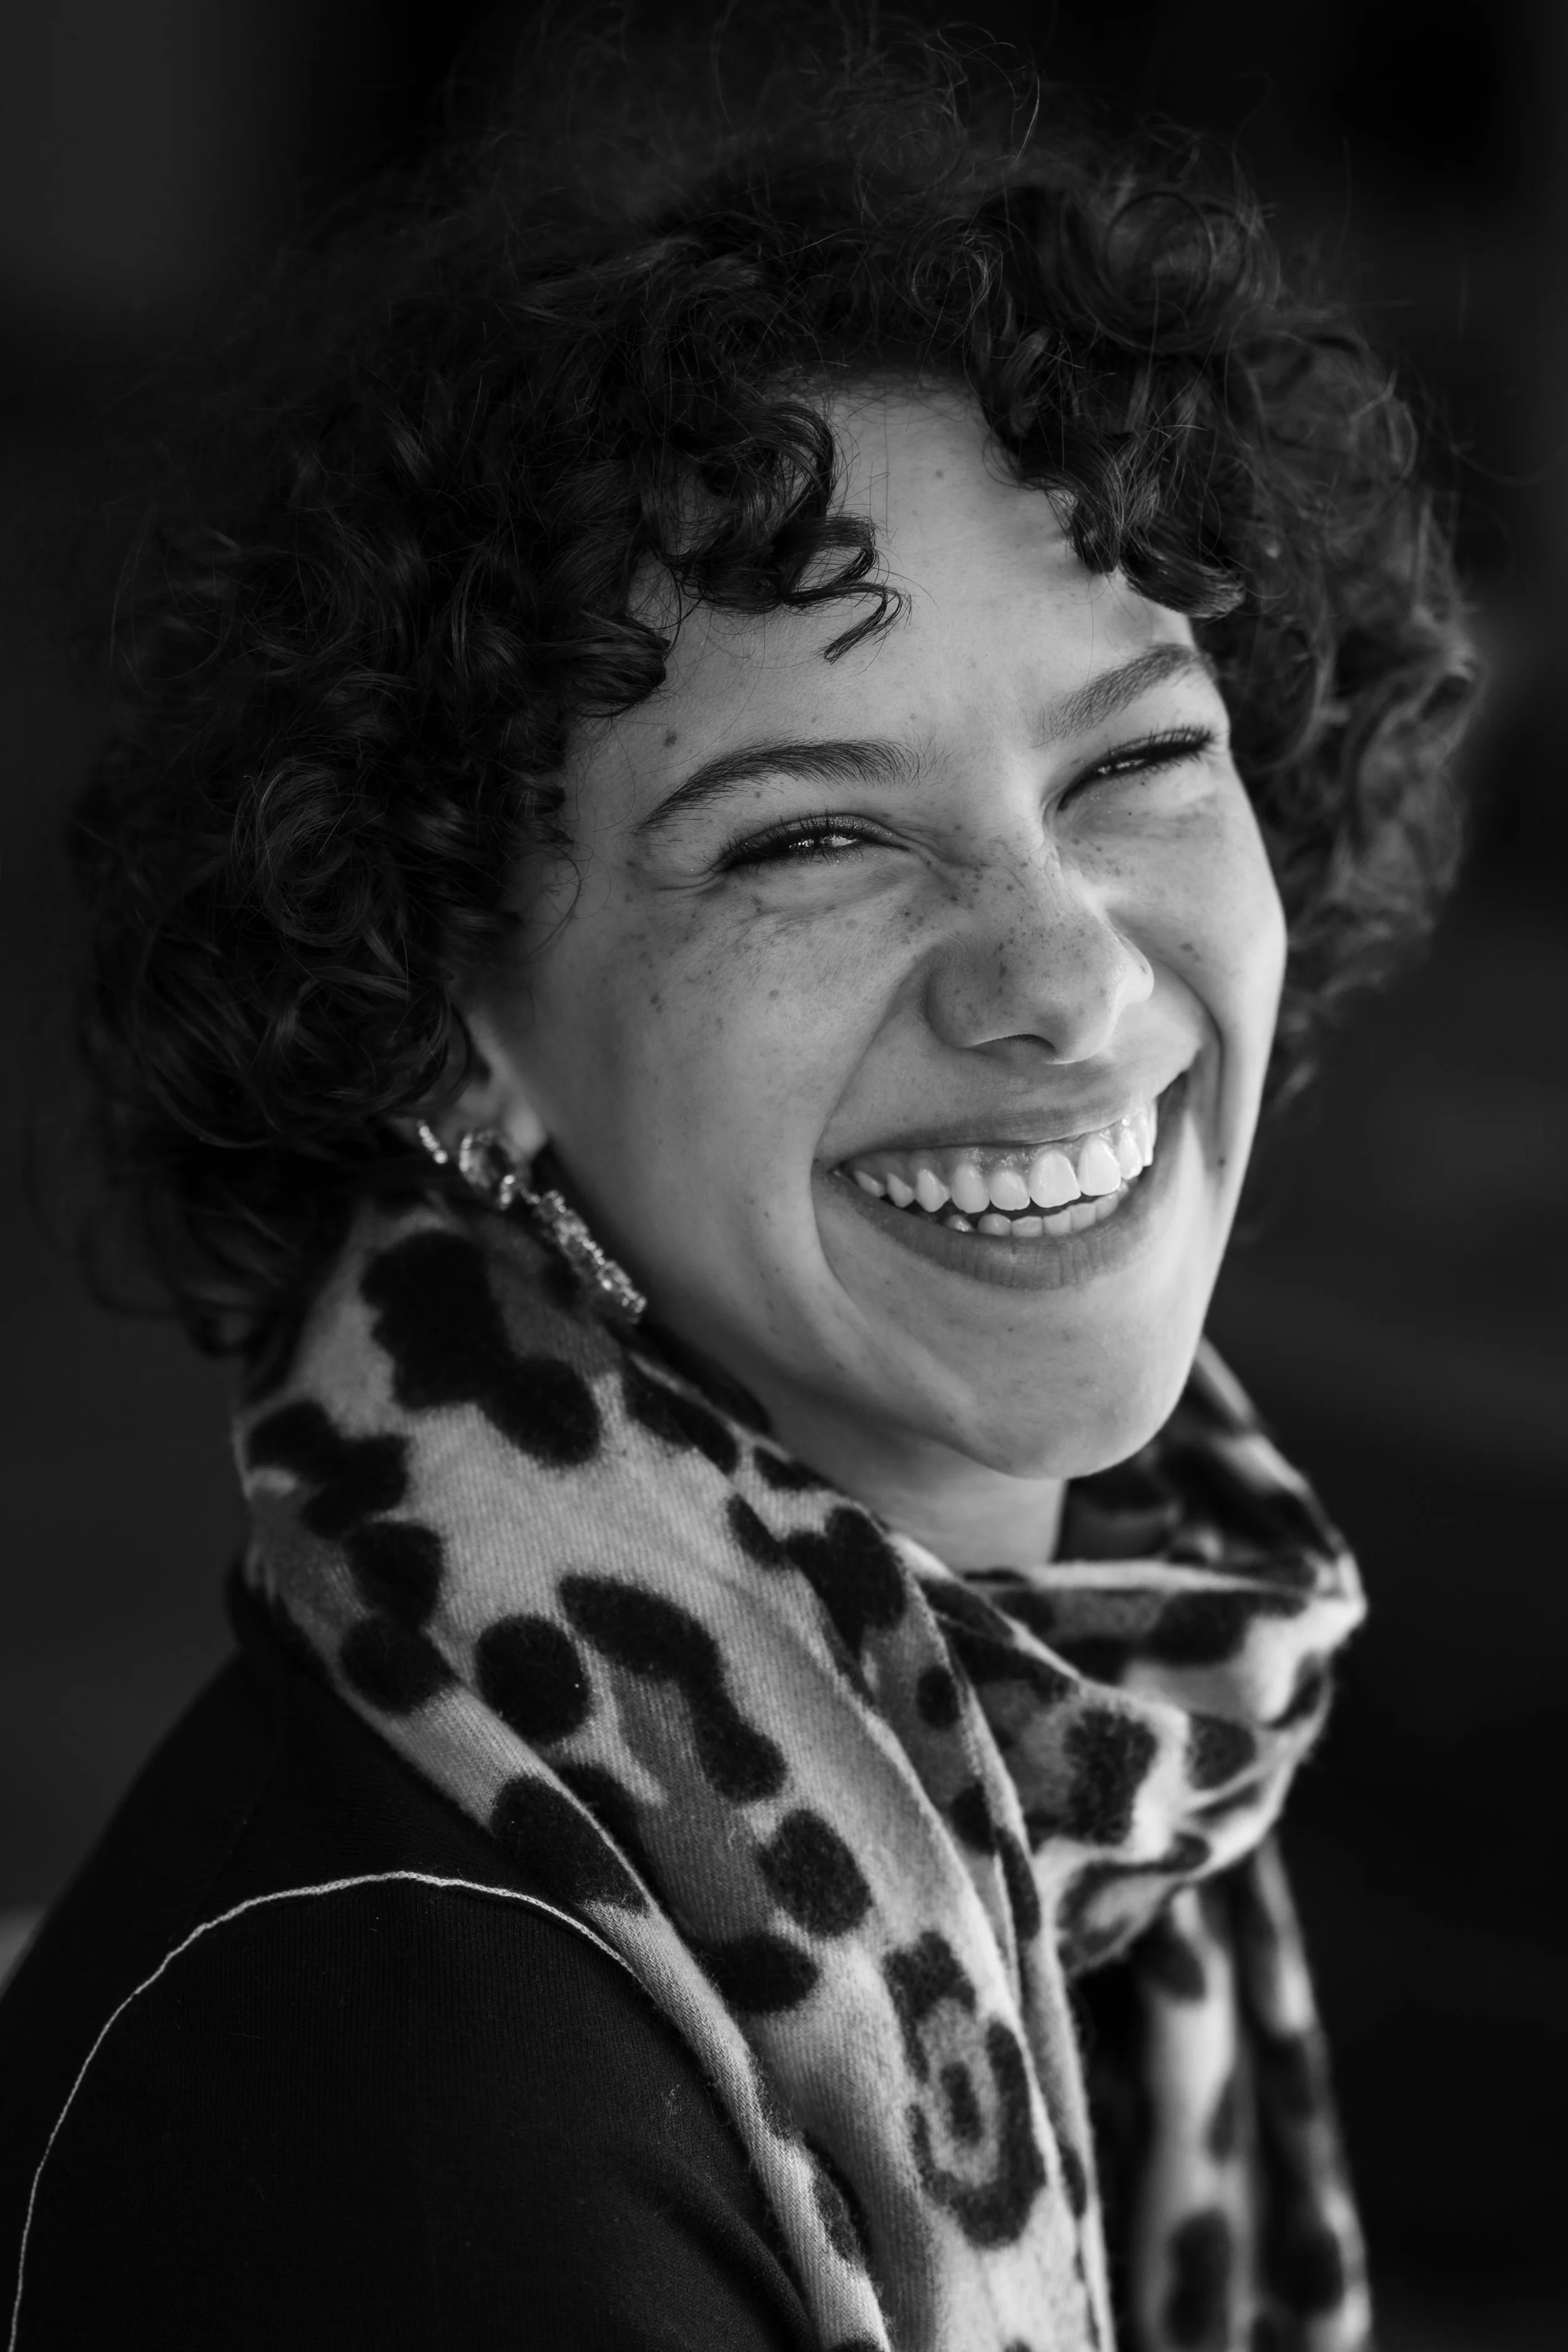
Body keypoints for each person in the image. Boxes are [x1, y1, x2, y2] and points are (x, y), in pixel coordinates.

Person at [0, 17, 1472, 2350]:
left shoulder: (1104, 1748)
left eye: (1136, 762)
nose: (1063, 982)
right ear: (453, 1024)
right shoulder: (419, 2124)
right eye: (803, 837)